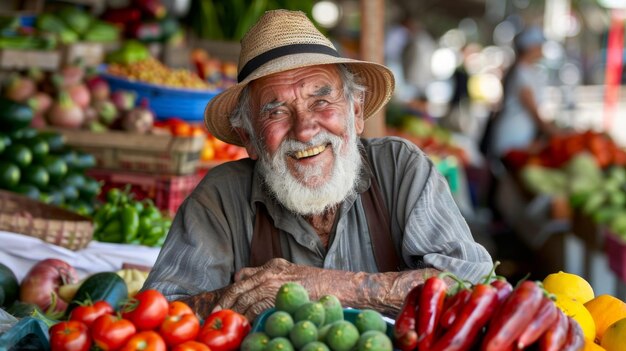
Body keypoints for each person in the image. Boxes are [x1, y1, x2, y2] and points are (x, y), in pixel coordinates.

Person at [143, 9, 492, 320]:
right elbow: (159, 313)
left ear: (356, 111)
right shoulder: (220, 198)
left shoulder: (400, 169)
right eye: (276, 110)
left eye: (321, 100)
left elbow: (472, 283)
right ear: (248, 137)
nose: (305, 128)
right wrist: (247, 298)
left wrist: (328, 286)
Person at [487, 26, 559, 160]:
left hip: (518, 138)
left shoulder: (525, 71)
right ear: (531, 47)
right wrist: (556, 134)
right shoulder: (521, 74)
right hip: (512, 138)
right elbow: (533, 111)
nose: (542, 49)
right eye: (540, 45)